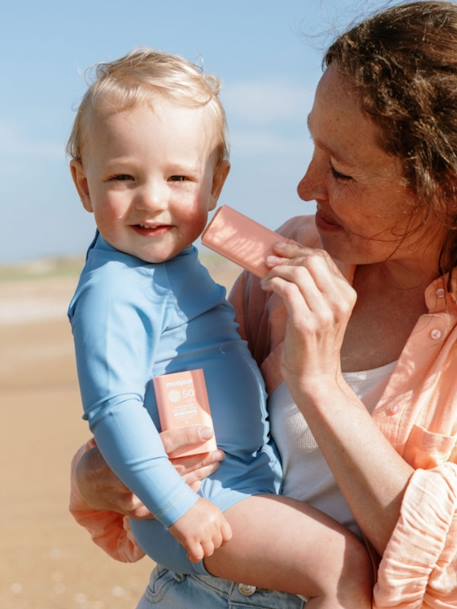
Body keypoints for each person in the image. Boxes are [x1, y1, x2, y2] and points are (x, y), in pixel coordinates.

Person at [69, 2, 457, 608]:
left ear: (442, 185)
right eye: (312, 147)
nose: (305, 186)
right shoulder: (292, 255)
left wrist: (318, 382)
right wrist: (94, 475)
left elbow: (446, 569)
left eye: (342, 171)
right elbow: (178, 401)